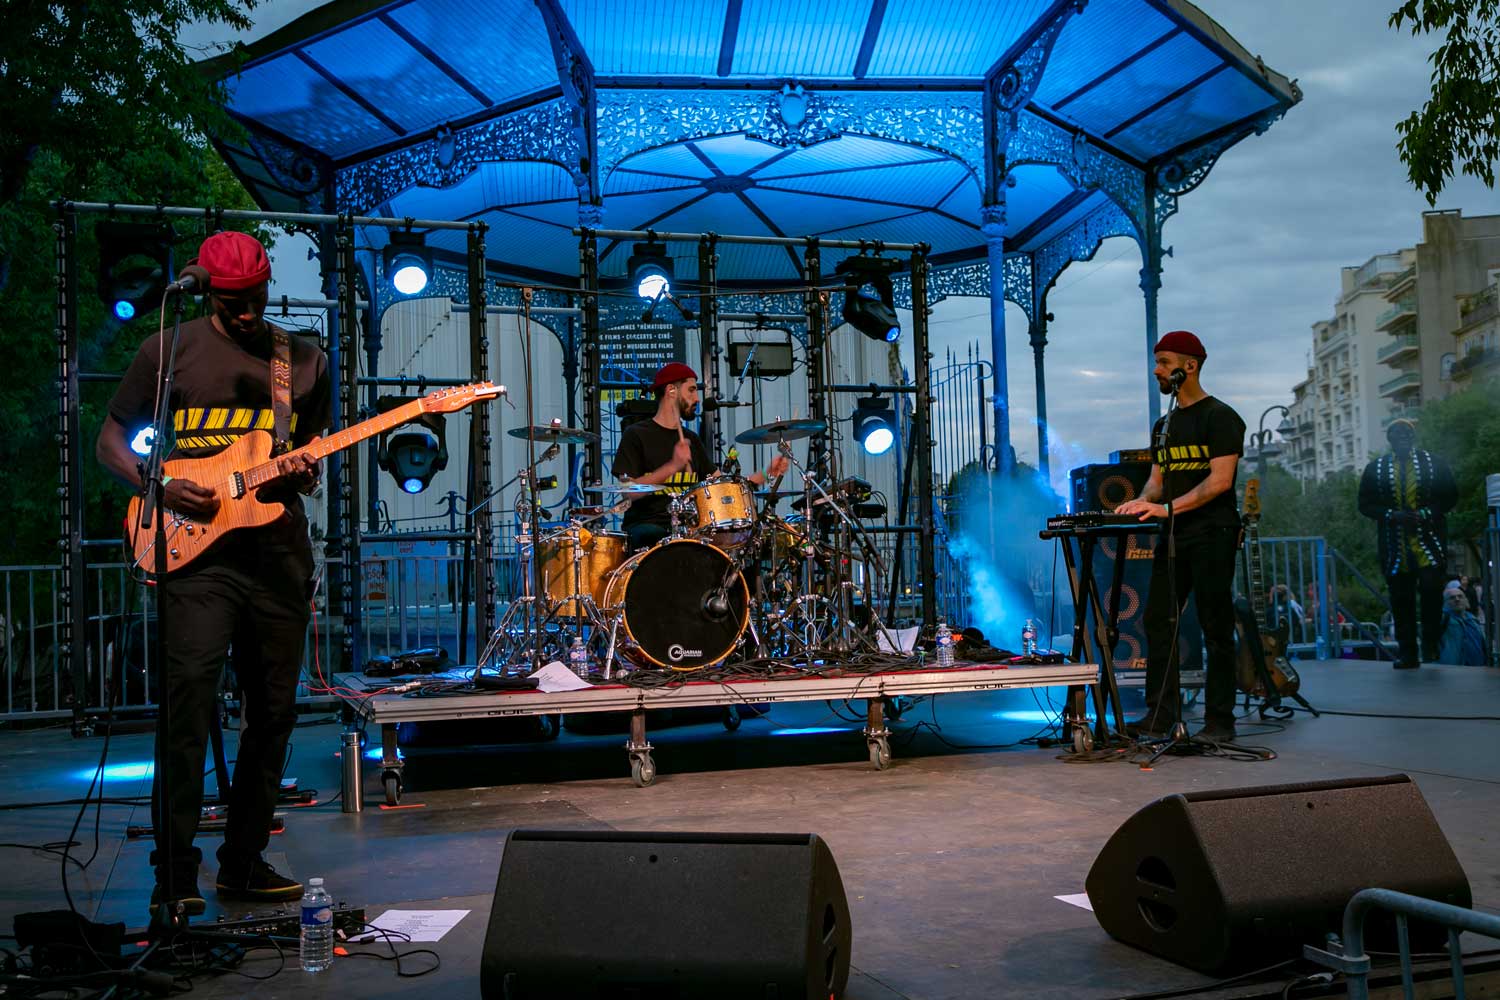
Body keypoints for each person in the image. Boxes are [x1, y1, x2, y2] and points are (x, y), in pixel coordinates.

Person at [95, 231, 330, 917]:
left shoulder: (304, 360)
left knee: (274, 713)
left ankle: (244, 863)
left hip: (276, 555)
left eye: (255, 297)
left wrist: (306, 472)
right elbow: (110, 440)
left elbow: (310, 453)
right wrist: (158, 484)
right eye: (232, 302)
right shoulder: (167, 349)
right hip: (195, 558)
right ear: (206, 291)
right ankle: (174, 876)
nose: (247, 312)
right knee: (188, 707)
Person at [1115, 330, 1246, 744]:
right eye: (1156, 362)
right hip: (1174, 536)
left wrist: (1168, 508)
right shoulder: (1165, 424)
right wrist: (1140, 503)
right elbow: (1157, 482)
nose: (1156, 370)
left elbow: (1220, 481)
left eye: (1164, 362)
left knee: (1215, 626)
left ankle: (1220, 721)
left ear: (1189, 366)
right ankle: (1160, 715)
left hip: (1213, 533)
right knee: (1158, 621)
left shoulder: (1220, 417)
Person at [611, 362, 787, 551]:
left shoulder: (691, 440)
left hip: (691, 530)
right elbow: (628, 491)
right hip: (649, 529)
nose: (697, 398)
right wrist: (672, 466)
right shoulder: (636, 434)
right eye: (691, 390)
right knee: (654, 535)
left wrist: (765, 474)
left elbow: (722, 485)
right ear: (671, 390)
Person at [1357, 419, 1456, 669]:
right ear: (1389, 439)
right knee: (1401, 599)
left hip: (1429, 541)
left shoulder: (1433, 463)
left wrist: (1425, 514)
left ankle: (1431, 642)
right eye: (1396, 433)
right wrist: (1392, 515)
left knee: (1432, 590)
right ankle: (1408, 653)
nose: (1402, 437)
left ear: (1413, 437)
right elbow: (1365, 505)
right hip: (1395, 545)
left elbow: (1450, 497)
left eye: (1407, 433)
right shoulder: (1375, 468)